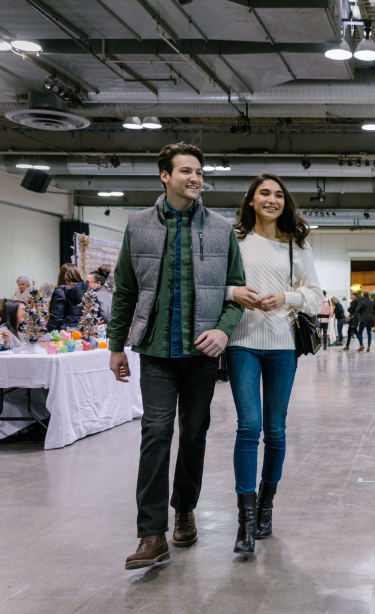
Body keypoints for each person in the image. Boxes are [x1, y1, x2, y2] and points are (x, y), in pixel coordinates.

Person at [108, 142, 246, 571]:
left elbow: (236, 292)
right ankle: (152, 534)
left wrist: (223, 331)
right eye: (186, 171)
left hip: (202, 353)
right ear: (164, 176)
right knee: (155, 432)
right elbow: (126, 290)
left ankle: (184, 509)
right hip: (156, 350)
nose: (195, 178)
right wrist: (116, 345)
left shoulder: (221, 229)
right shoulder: (138, 225)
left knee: (194, 432)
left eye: (199, 172)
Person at [227, 173, 323, 555]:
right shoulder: (235, 240)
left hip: (283, 346)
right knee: (249, 426)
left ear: (285, 202)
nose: (272, 199)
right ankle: (245, 520)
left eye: (278, 194)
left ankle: (266, 508)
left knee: (276, 430)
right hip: (242, 343)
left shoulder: (297, 245)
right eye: (264, 193)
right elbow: (214, 285)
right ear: (250, 200)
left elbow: (316, 296)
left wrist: (286, 297)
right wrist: (234, 292)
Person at [48, 264, 88, 332]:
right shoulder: (87, 289)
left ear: (61, 276)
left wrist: (50, 332)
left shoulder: (60, 291)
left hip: (66, 331)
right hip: (85, 331)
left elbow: (56, 317)